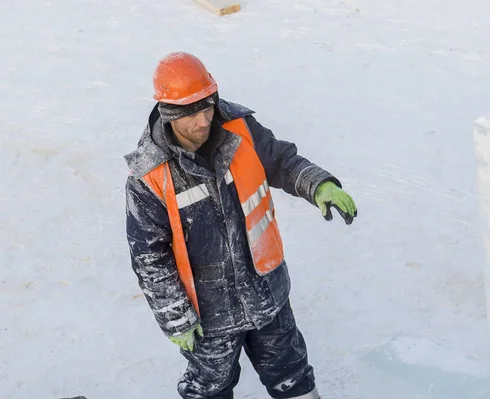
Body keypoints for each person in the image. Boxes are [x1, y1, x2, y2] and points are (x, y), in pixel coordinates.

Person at [124, 51, 357, 399]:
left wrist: (316, 183)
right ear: (170, 114)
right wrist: (176, 318)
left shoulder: (239, 128)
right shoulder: (149, 176)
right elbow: (149, 258)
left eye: (208, 107)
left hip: (267, 293)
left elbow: (279, 160)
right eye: (191, 114)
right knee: (210, 390)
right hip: (208, 316)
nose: (204, 121)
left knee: (291, 375)